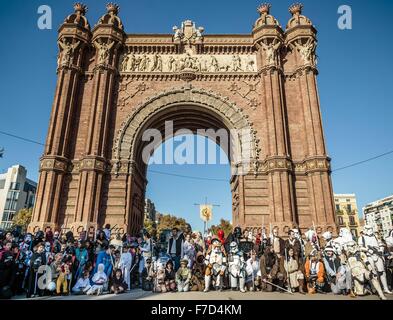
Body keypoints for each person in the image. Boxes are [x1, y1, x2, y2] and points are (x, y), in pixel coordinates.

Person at [358, 225, 392, 294]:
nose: (370, 229)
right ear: (365, 229)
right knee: (373, 273)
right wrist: (367, 250)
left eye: (370, 228)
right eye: (368, 228)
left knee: (382, 272)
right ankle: (376, 289)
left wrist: (380, 250)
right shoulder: (361, 238)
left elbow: (381, 244)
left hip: (378, 255)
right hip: (369, 256)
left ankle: (385, 288)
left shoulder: (375, 236)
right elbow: (360, 247)